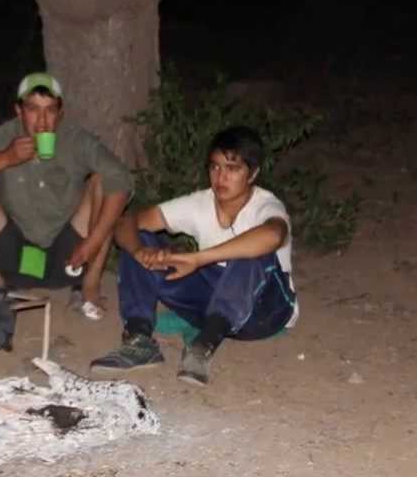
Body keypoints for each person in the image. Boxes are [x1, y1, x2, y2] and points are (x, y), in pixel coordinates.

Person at [89, 125, 299, 386]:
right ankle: (139, 339)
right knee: (140, 237)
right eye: (215, 167)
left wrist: (198, 259)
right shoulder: (200, 203)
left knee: (253, 252)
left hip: (265, 312)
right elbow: (126, 223)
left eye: (232, 169)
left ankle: (202, 347)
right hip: (211, 304)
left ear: (253, 173)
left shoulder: (266, 204)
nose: (221, 177)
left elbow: (273, 235)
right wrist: (140, 251)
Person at [0, 72, 133, 320]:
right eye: (33, 109)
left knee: (104, 182)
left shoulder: (76, 139)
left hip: (70, 255)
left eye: (50, 110)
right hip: (13, 253)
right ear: (19, 111)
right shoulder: (6, 136)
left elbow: (122, 179)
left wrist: (93, 241)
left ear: (60, 113)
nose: (42, 121)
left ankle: (89, 286)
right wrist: (5, 158)